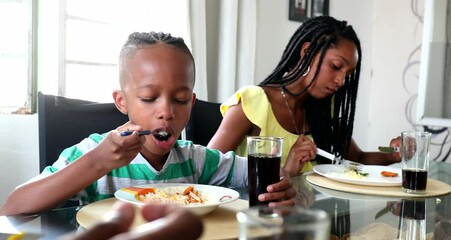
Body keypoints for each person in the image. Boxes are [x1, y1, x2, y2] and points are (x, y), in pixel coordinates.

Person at [0, 31, 295, 216]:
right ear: (122, 101)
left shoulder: (196, 160)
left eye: (180, 100)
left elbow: (262, 176)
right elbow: (12, 208)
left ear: (191, 104)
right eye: (149, 97)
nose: (166, 112)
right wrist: (96, 163)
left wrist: (280, 186)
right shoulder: (93, 153)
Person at [207, 16, 401, 175]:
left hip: (307, 217)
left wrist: (392, 156)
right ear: (307, 51)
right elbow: (207, 169)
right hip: (257, 216)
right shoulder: (253, 103)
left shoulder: (324, 109)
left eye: (347, 75)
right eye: (335, 66)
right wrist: (287, 170)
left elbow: (356, 158)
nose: (340, 81)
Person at [61, 202, 203, 240]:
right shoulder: (89, 149)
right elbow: (36, 198)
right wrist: (96, 163)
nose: (166, 125)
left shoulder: (198, 156)